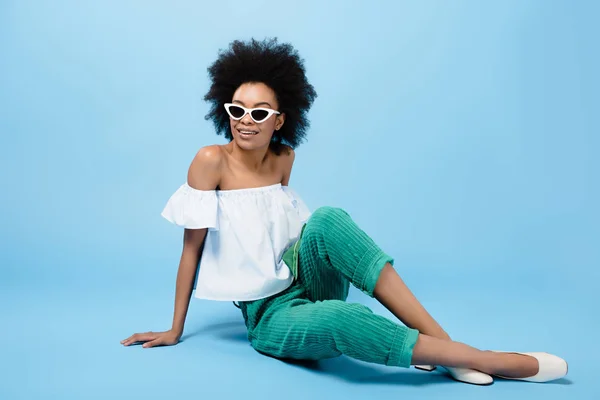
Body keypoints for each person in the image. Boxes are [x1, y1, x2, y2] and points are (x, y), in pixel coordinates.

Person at [121, 38, 567, 385]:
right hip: (268, 314)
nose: (245, 120)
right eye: (237, 110)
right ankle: (480, 358)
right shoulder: (209, 161)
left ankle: (444, 347)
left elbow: (277, 226)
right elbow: (191, 251)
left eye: (260, 113)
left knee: (327, 218)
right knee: (342, 320)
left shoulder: (283, 157)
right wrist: (174, 328)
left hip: (302, 275)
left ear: (280, 119)